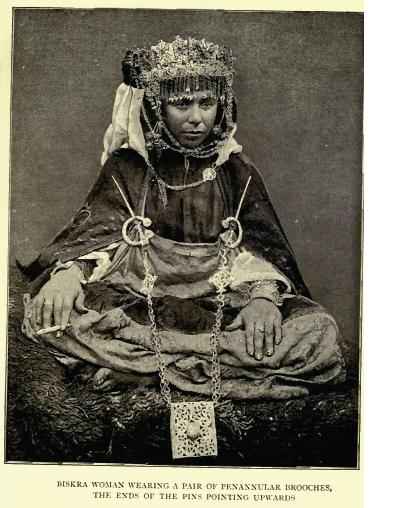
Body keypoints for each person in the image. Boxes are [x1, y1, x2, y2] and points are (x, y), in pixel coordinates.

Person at [22, 36, 345, 402]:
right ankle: (176, 369)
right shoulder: (128, 169)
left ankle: (140, 370)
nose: (196, 118)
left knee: (318, 334)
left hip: (222, 302)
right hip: (137, 300)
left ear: (221, 105)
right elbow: (96, 239)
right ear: (156, 107)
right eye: (181, 104)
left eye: (206, 103)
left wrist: (263, 299)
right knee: (49, 316)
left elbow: (262, 253)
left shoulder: (237, 172)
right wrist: (66, 276)